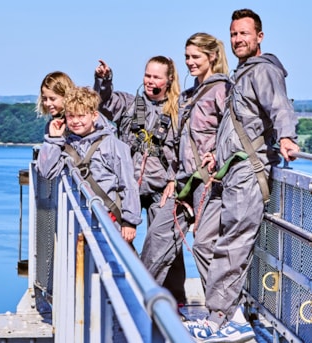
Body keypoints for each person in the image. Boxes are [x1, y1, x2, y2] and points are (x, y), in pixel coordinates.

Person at [186, 9, 299, 342]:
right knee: (204, 240)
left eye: (244, 34)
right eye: (234, 35)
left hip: (249, 174)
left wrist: (288, 136)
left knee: (233, 246)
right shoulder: (242, 74)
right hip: (227, 172)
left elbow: (279, 107)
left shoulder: (263, 71)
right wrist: (216, 153)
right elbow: (239, 123)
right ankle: (227, 311)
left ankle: (220, 319)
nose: (238, 40)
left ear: (259, 37)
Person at [139, 32, 231, 312]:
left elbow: (233, 132)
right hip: (182, 183)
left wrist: (217, 156)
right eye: (187, 57)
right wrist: (171, 178)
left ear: (212, 57)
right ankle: (142, 298)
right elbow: (177, 144)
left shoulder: (224, 90)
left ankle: (221, 313)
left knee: (205, 247)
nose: (189, 62)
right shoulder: (188, 95)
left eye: (195, 57)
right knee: (157, 236)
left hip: (209, 181)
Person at [94, 56, 184, 303]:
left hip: (161, 186)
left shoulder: (179, 111)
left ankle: (175, 297)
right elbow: (103, 103)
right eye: (147, 75)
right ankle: (127, 290)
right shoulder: (129, 104)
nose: (150, 81)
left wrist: (174, 179)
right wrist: (103, 80)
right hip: (128, 185)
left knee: (166, 242)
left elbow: (186, 150)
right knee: (120, 238)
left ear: (168, 80)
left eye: (156, 77)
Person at [36, 86, 142, 243]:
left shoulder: (113, 145)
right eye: (71, 116)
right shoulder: (64, 145)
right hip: (76, 222)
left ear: (94, 116)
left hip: (107, 220)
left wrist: (130, 221)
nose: (76, 121)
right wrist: (53, 140)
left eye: (81, 115)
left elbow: (128, 184)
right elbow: (46, 172)